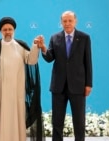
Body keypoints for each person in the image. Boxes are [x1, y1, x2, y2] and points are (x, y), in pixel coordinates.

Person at [0, 17, 45, 141]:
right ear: (1, 31)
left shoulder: (20, 46)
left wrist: (35, 46)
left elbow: (31, 60)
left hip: (17, 92)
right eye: (5, 29)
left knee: (16, 119)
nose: (8, 32)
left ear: (14, 30)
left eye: (10, 29)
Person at [39, 11, 93, 141]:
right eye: (64, 21)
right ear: (61, 22)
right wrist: (43, 48)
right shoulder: (55, 37)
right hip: (58, 86)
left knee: (79, 120)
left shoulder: (84, 37)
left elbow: (88, 62)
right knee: (57, 121)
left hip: (78, 86)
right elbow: (49, 58)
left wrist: (88, 84)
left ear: (75, 21)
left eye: (70, 20)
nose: (67, 23)